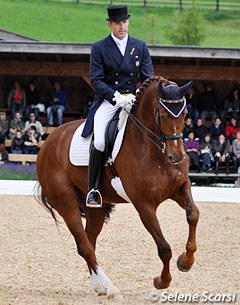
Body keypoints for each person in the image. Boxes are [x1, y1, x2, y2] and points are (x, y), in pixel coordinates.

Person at [81, 5, 154, 207]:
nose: (122, 27)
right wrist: (116, 97)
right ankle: (93, 189)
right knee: (101, 142)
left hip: (134, 101)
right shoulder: (99, 48)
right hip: (109, 101)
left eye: (125, 22)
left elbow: (148, 78)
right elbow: (96, 80)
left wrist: (139, 94)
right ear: (110, 24)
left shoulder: (140, 46)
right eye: (118, 23)